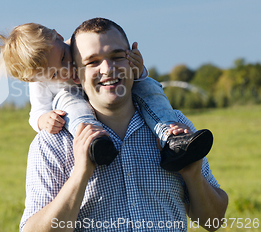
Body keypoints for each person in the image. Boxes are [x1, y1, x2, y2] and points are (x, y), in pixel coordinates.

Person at [19, 18, 228, 232]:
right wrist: (79, 175)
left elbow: (214, 221)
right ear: (75, 73)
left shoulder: (176, 129)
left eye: (118, 56)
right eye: (92, 62)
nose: (108, 69)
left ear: (133, 59)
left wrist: (193, 175)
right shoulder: (53, 142)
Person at [0, 23, 212, 171]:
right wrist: (43, 120)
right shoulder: (39, 82)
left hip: (116, 91)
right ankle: (95, 143)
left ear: (59, 37)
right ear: (36, 80)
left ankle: (170, 134)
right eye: (54, 74)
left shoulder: (81, 44)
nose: (67, 69)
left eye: (63, 57)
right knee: (69, 100)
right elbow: (36, 113)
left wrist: (137, 69)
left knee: (148, 87)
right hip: (79, 106)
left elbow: (116, 67)